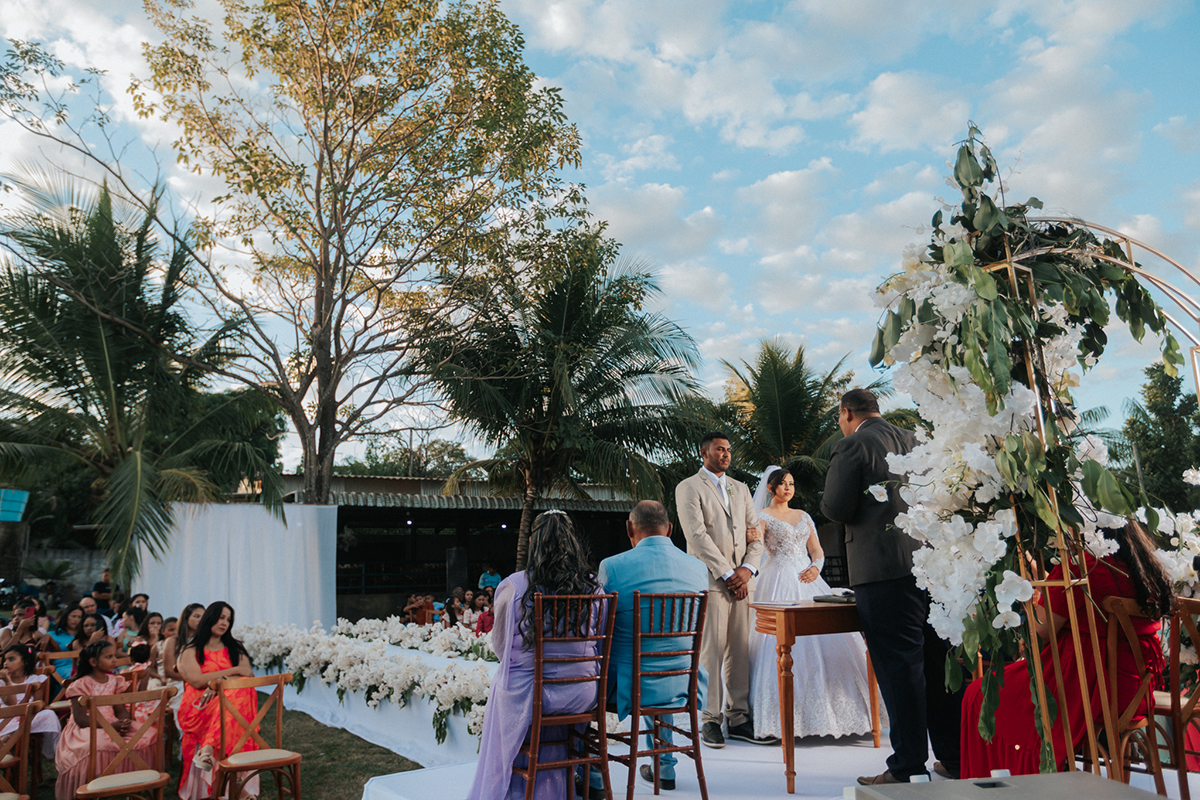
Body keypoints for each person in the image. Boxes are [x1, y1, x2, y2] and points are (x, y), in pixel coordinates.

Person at [821, 388, 962, 784]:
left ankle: (907, 767)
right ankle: (954, 756)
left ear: (846, 413)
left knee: (900, 669)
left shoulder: (853, 445)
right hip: (933, 569)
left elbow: (835, 507)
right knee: (940, 665)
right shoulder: (917, 440)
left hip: (884, 571)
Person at [961, 520, 1174, 777]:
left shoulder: (1081, 567)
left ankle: (1008, 783)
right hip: (1135, 690)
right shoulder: (1143, 567)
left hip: (1092, 687)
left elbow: (1039, 634)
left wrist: (1029, 598)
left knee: (978, 694)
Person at [466, 510, 605, 800]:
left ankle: (514, 790)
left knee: (503, 687)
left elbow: (501, 648)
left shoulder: (514, 585)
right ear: (573, 544)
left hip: (532, 695)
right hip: (582, 691)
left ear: (533, 543)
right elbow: (598, 643)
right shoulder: (594, 586)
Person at [584, 500, 709, 793]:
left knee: (592, 674)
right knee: (658, 656)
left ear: (630, 528)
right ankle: (664, 766)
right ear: (670, 529)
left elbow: (598, 627)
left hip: (629, 685)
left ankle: (593, 776)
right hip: (682, 681)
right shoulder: (698, 568)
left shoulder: (612, 567)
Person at [748, 467, 881, 739]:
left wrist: (817, 567)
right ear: (771, 488)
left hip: (808, 579)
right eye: (783, 484)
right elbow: (757, 548)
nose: (788, 488)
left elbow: (816, 550)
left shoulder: (804, 516)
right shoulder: (763, 517)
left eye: (792, 483)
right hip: (777, 579)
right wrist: (751, 538)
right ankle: (782, 717)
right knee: (778, 642)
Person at [675, 431, 772, 747]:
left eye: (729, 450)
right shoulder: (689, 487)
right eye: (720, 449)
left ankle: (740, 717)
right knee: (711, 652)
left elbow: (754, 534)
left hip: (743, 583)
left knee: (739, 651)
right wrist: (729, 573)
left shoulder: (741, 489)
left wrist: (748, 570)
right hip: (711, 581)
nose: (726, 454)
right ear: (704, 452)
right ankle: (710, 719)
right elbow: (696, 536)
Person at [176, 601, 259, 800]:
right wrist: (232, 672)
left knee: (236, 693)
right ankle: (237, 782)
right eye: (221, 617)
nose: (225, 623)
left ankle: (208, 750)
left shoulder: (235, 648)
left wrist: (219, 683)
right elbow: (196, 681)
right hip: (199, 706)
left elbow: (247, 675)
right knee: (233, 696)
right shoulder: (191, 650)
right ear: (209, 618)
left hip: (227, 705)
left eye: (228, 619)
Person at [54, 640, 156, 800]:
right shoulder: (80, 684)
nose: (114, 660)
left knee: (148, 734)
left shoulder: (115, 681)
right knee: (100, 744)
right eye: (109, 657)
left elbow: (120, 709)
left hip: (113, 721)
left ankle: (129, 779)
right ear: (93, 662)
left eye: (114, 655)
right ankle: (97, 779)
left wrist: (123, 722)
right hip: (90, 724)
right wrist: (110, 726)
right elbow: (80, 719)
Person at [0, 643, 62, 758]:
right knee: (10, 720)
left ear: (25, 662)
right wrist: (8, 682)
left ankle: (7, 738)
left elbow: (38, 703)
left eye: (11, 659)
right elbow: (11, 704)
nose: (5, 663)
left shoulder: (36, 679)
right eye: (5, 659)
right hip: (6, 715)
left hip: (29, 716)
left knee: (49, 714)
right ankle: (6, 739)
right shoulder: (2, 682)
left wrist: (26, 707)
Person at [164, 603, 205, 717]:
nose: (201, 620)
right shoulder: (172, 641)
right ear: (186, 619)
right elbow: (168, 671)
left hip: (204, 681)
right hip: (179, 683)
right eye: (197, 616)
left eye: (203, 617)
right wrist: (193, 679)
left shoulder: (208, 641)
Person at [48, 604, 83, 681]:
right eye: (73, 616)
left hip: (83, 666)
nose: (76, 620)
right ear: (66, 616)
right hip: (62, 667)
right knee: (78, 678)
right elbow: (43, 657)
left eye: (79, 617)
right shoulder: (52, 635)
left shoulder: (84, 635)